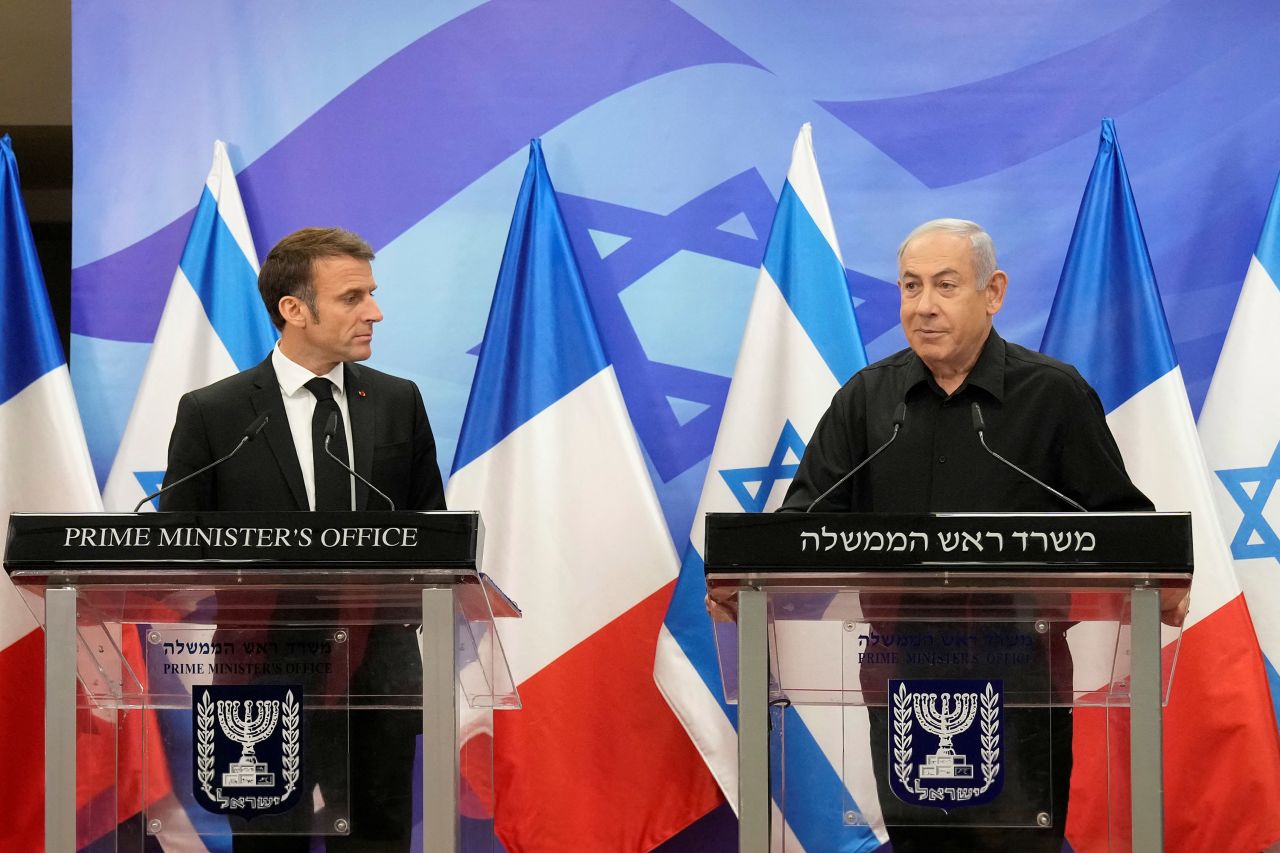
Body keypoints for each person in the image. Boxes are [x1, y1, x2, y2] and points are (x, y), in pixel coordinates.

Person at [776, 219, 1163, 852]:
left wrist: (1158, 581)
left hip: (1021, 681)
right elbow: (799, 527)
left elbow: (1125, 529)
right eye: (910, 286)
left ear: (994, 291)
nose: (923, 306)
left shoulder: (1053, 396)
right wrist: (749, 585)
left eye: (945, 285)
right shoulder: (868, 400)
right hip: (902, 678)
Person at [160, 227, 445, 852]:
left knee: (377, 835)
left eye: (371, 294)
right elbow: (174, 545)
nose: (375, 311)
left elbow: (431, 533)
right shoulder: (216, 412)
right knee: (267, 838)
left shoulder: (397, 401)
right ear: (294, 309)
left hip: (378, 663)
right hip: (261, 658)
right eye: (352, 297)